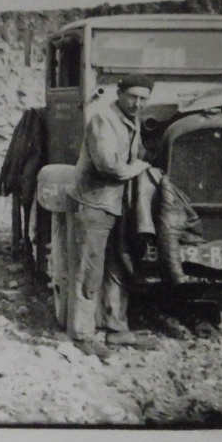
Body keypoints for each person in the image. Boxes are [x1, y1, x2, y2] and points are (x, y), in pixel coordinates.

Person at [66, 73, 155, 357]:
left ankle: (116, 329)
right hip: (94, 204)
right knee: (88, 271)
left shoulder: (133, 121)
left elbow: (138, 152)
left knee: (118, 267)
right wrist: (138, 168)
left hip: (117, 205)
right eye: (133, 97)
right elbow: (110, 166)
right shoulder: (103, 120)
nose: (138, 103)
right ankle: (82, 335)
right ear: (120, 93)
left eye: (143, 99)